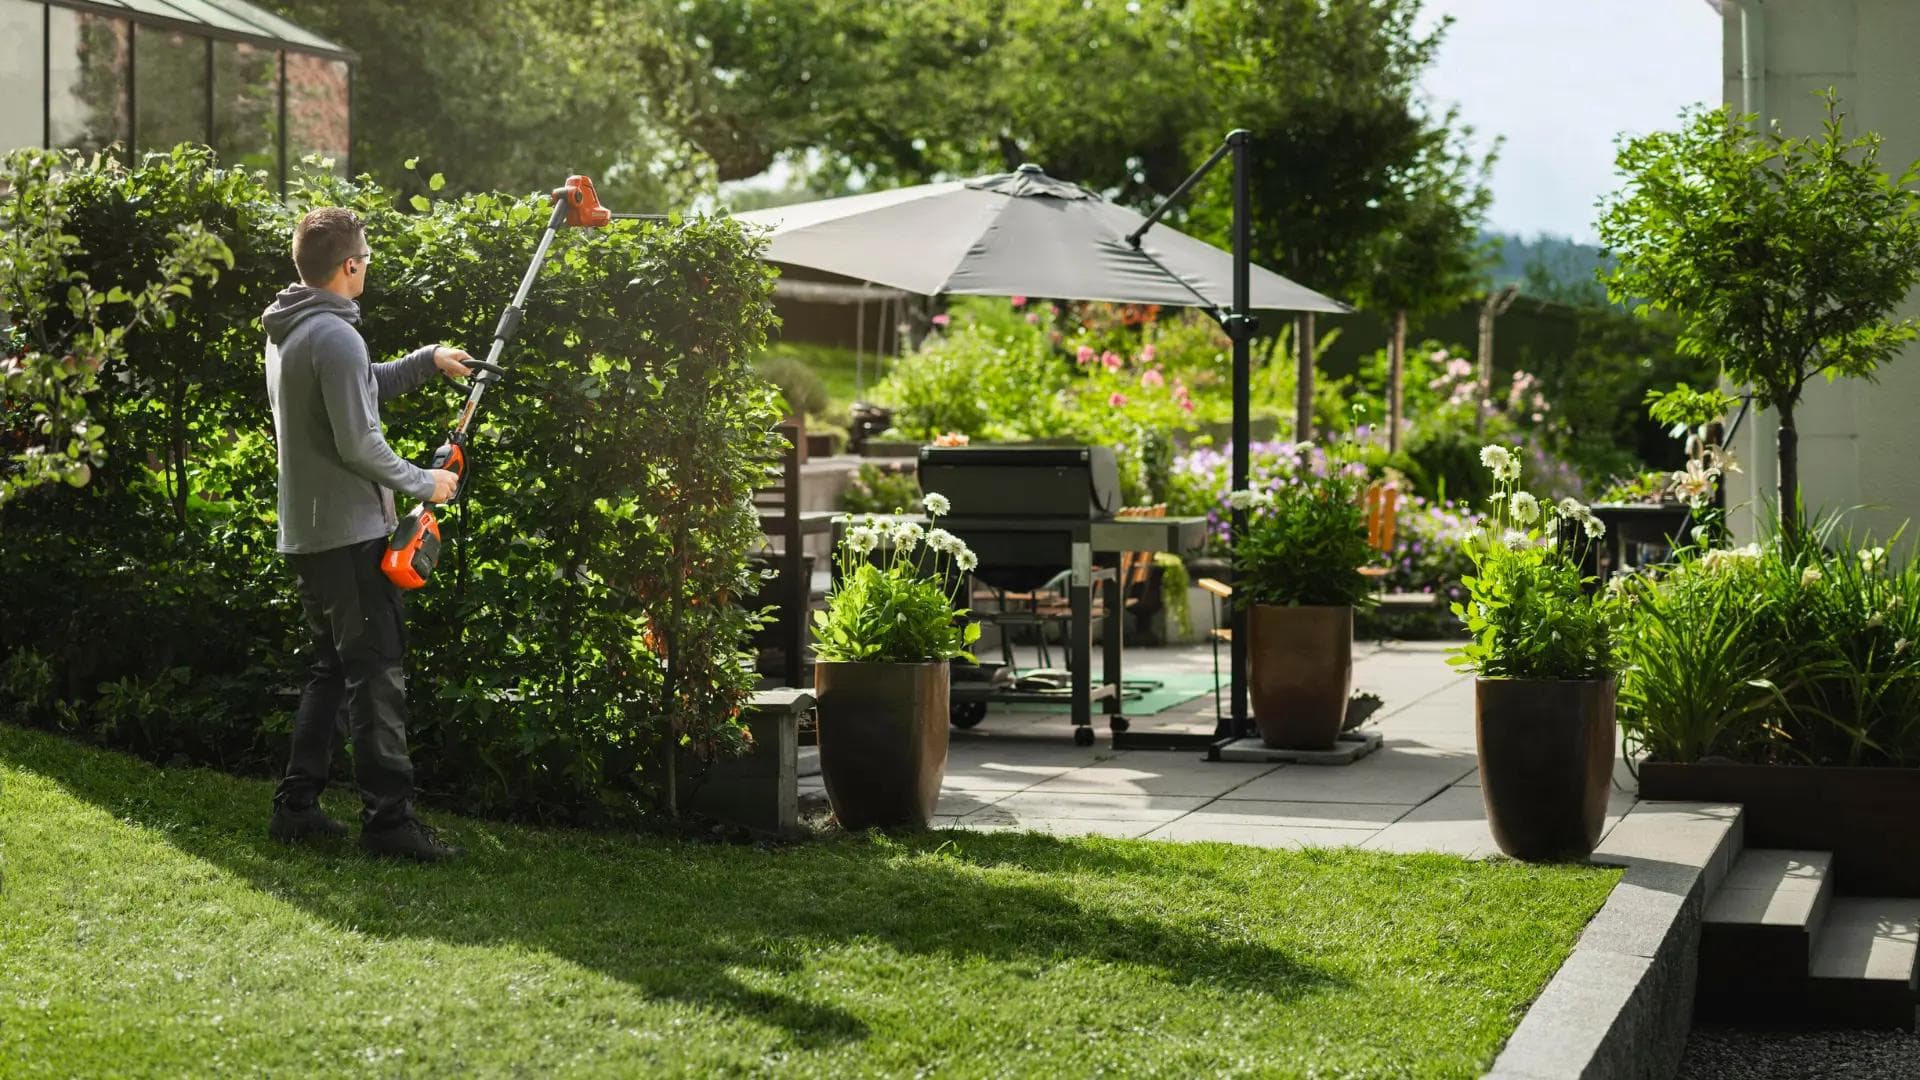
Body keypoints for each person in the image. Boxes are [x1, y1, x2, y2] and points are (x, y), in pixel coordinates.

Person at [261, 207, 469, 862]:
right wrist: (424, 484)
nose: (369, 266)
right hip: (351, 538)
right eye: (368, 258)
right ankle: (389, 825)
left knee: (331, 671)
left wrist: (428, 361)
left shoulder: (291, 332)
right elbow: (358, 441)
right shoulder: (334, 337)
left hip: (310, 537)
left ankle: (296, 808)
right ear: (348, 266)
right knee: (377, 675)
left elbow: (360, 387)